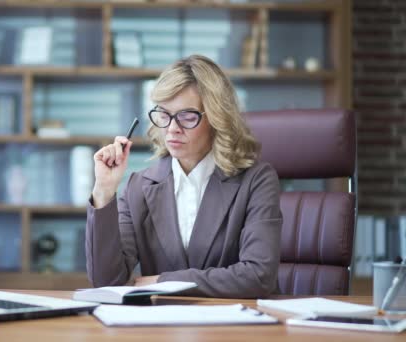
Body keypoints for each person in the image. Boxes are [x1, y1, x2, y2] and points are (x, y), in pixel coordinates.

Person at [85, 55, 282, 298]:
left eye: (187, 116)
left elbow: (258, 276)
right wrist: (104, 191)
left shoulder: (256, 180)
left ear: (217, 118)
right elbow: (107, 281)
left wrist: (161, 282)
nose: (172, 128)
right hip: (164, 328)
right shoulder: (139, 185)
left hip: (234, 325)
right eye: (164, 115)